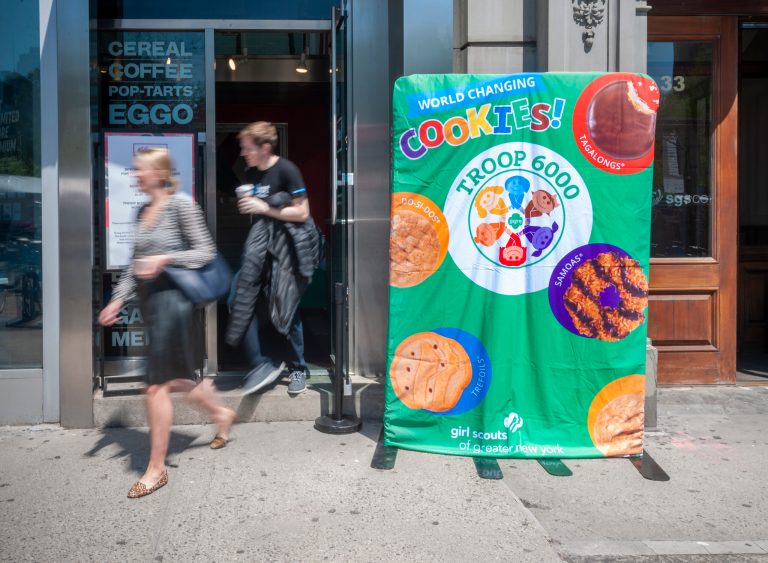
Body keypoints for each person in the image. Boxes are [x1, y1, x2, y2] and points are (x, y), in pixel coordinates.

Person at [98, 148, 236, 499]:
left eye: (141, 170)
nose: (135, 175)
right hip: (150, 305)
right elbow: (134, 265)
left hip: (174, 303)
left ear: (160, 173)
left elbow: (205, 252)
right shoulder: (142, 211)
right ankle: (222, 413)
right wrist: (117, 299)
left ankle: (156, 469)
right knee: (178, 379)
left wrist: (166, 258)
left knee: (155, 386)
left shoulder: (182, 206)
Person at [226, 121, 320, 396]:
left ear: (264, 147)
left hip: (287, 249)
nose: (243, 153)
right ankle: (262, 364)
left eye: (247, 148)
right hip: (261, 247)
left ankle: (297, 369)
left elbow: (302, 213)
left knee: (286, 306)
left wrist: (264, 207)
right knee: (237, 298)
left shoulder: (287, 170)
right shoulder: (251, 171)